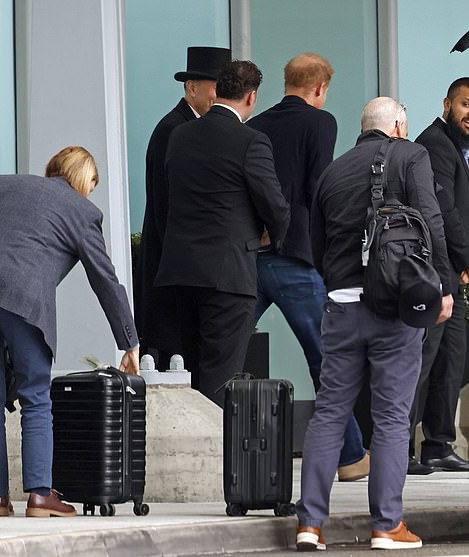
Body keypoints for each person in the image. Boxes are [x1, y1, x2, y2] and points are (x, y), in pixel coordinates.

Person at [0, 146, 140, 518]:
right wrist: (129, 341)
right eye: (93, 183)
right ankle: (41, 496)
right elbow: (104, 279)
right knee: (35, 395)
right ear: (84, 180)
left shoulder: (6, 184)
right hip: (23, 299)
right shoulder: (83, 211)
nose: (92, 191)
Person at [295, 97, 453, 551]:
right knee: (390, 418)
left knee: (329, 413)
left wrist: (341, 288)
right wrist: (442, 288)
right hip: (395, 310)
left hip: (341, 307)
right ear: (399, 126)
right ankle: (387, 525)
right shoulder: (412, 155)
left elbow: (318, 243)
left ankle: (310, 525)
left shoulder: (333, 170)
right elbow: (433, 223)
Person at [247, 52, 368, 482]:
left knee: (223, 353)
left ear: (287, 82)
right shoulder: (322, 122)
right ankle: (351, 456)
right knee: (326, 357)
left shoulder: (255, 124)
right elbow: (321, 189)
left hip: (251, 257)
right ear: (320, 88)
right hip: (297, 258)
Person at [155, 60, 290, 407]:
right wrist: (270, 237)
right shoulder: (251, 141)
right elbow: (275, 206)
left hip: (180, 271)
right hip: (227, 274)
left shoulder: (179, 134)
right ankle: (216, 460)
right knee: (220, 377)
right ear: (252, 96)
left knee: (190, 371)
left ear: (217, 91)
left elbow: (170, 196)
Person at [134, 46, 231, 373]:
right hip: (171, 258)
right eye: (216, 87)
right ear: (192, 88)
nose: (220, 96)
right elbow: (164, 200)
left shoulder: (190, 127)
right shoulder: (173, 129)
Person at [408, 78, 469, 474]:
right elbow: (441, 210)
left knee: (450, 360)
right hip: (435, 272)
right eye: (466, 105)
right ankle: (400, 448)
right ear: (447, 104)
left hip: (451, 274)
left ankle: (438, 445)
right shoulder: (436, 143)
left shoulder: (455, 148)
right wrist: (467, 256)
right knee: (421, 361)